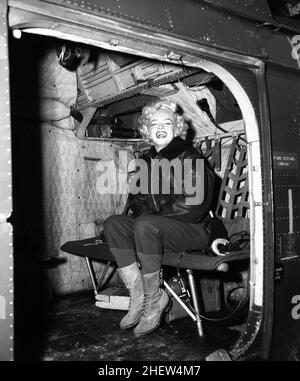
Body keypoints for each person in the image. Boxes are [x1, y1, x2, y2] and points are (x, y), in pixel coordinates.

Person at [104, 99, 215, 337]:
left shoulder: (188, 155)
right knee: (114, 223)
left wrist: (153, 220)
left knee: (145, 224)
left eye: (167, 122)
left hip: (193, 230)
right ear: (146, 130)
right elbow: (136, 201)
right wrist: (147, 221)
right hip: (155, 229)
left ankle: (155, 301)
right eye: (154, 123)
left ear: (177, 129)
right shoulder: (144, 162)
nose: (161, 127)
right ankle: (139, 293)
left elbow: (196, 203)